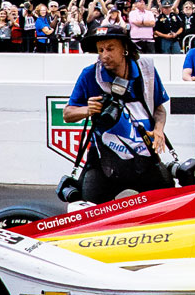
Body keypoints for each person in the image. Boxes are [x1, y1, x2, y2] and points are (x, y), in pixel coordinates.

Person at [62, 23, 169, 203]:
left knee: (167, 207)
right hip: (104, 163)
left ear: (124, 48)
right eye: (100, 50)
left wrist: (159, 130)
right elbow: (67, 114)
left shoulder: (147, 70)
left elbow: (159, 109)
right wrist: (88, 110)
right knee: (86, 214)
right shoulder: (89, 75)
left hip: (145, 158)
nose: (105, 55)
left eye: (110, 49)